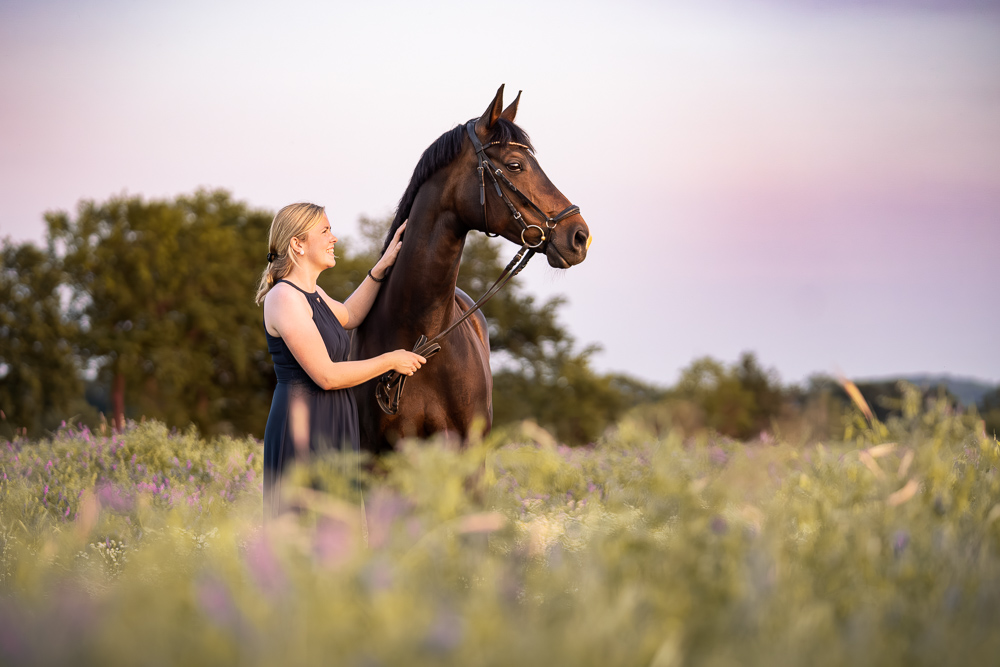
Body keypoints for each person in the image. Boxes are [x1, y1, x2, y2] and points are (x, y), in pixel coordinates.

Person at [254, 202, 425, 518]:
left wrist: (381, 267)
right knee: (308, 534)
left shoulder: (312, 293)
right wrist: (390, 360)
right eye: (325, 230)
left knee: (335, 538)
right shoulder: (285, 298)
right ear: (298, 244)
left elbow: (351, 314)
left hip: (333, 421)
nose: (334, 238)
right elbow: (327, 375)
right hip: (304, 427)